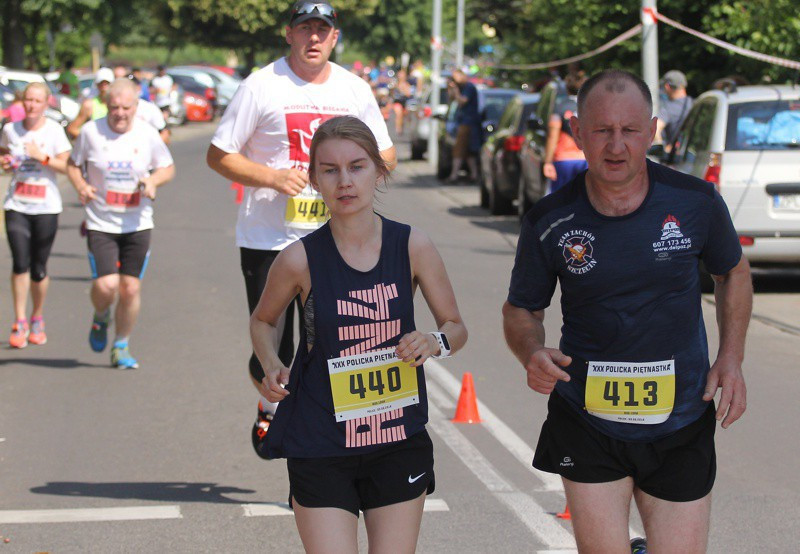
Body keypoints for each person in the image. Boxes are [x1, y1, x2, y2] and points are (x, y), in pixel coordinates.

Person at [502, 69, 752, 553]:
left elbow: (733, 273)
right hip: (588, 417)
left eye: (630, 131)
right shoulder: (549, 220)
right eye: (601, 130)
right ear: (577, 133)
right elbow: (520, 310)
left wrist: (731, 358)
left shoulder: (694, 201)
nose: (616, 146)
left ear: (652, 132)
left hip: (680, 417)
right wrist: (530, 349)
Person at [251, 115, 467, 552]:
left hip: (396, 439)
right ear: (313, 178)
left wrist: (433, 341)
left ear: (379, 171)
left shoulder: (412, 246)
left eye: (357, 166)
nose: (344, 181)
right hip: (321, 440)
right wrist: (272, 364)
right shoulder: (298, 259)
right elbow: (263, 320)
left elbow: (455, 327)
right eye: (329, 170)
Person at [206, 0, 396, 451]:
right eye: (304, 28)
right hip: (269, 237)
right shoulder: (260, 86)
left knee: (335, 341)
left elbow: (386, 155)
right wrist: (272, 176)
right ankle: (271, 403)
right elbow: (219, 155)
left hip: (336, 238)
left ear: (335, 37)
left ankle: (321, 436)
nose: (313, 38)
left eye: (322, 30)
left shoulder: (354, 89)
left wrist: (349, 176)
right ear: (288, 34)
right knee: (274, 343)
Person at [67, 78, 175, 369]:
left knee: (129, 288)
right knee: (106, 286)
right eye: (114, 107)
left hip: (137, 222)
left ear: (136, 106)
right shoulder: (90, 132)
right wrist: (80, 185)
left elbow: (167, 167)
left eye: (126, 107)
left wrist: (152, 181)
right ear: (106, 105)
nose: (120, 113)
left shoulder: (148, 134)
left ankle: (121, 344)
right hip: (101, 221)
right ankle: (101, 315)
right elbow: (73, 164)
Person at [1, 82, 72, 348]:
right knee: (20, 263)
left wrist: (42, 157)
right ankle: (19, 321)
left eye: (36, 101)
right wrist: (6, 163)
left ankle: (36, 317)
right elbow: (4, 157)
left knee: (38, 269)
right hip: (17, 204)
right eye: (27, 100)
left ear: (46, 103)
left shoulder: (54, 131)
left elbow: (67, 166)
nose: (31, 105)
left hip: (46, 207)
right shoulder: (10, 129)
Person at [543, 70, 588, 195]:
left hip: (563, 160)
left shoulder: (560, 107)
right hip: (586, 159)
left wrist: (547, 162)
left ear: (567, 88)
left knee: (561, 200)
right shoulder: (589, 107)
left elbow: (553, 135)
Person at [446, 68, 479, 183]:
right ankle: (474, 175)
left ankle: (454, 175)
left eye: (456, 77)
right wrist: (451, 88)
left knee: (459, 150)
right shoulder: (461, 88)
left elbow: (462, 101)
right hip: (463, 122)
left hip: (468, 123)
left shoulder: (469, 87)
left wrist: (455, 90)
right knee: (469, 151)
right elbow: (451, 99)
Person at [67, 67, 114, 140]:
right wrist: (92, 140)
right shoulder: (89, 105)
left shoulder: (119, 105)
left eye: (107, 84)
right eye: (101, 84)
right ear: (97, 85)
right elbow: (72, 128)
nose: (104, 88)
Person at [656, 69, 693, 148]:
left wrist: (662, 149)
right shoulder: (695, 104)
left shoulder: (669, 108)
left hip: (676, 157)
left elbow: (656, 129)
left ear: (667, 86)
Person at [129, 75, 171, 144]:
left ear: (139, 88)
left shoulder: (149, 108)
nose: (129, 89)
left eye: (133, 86)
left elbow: (164, 133)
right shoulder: (116, 109)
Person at [391, 69, 413, 135]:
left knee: (403, 116)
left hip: (404, 102)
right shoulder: (395, 84)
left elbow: (408, 94)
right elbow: (392, 93)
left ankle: (401, 126)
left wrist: (402, 90)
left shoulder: (407, 85)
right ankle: (398, 129)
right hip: (397, 102)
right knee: (398, 114)